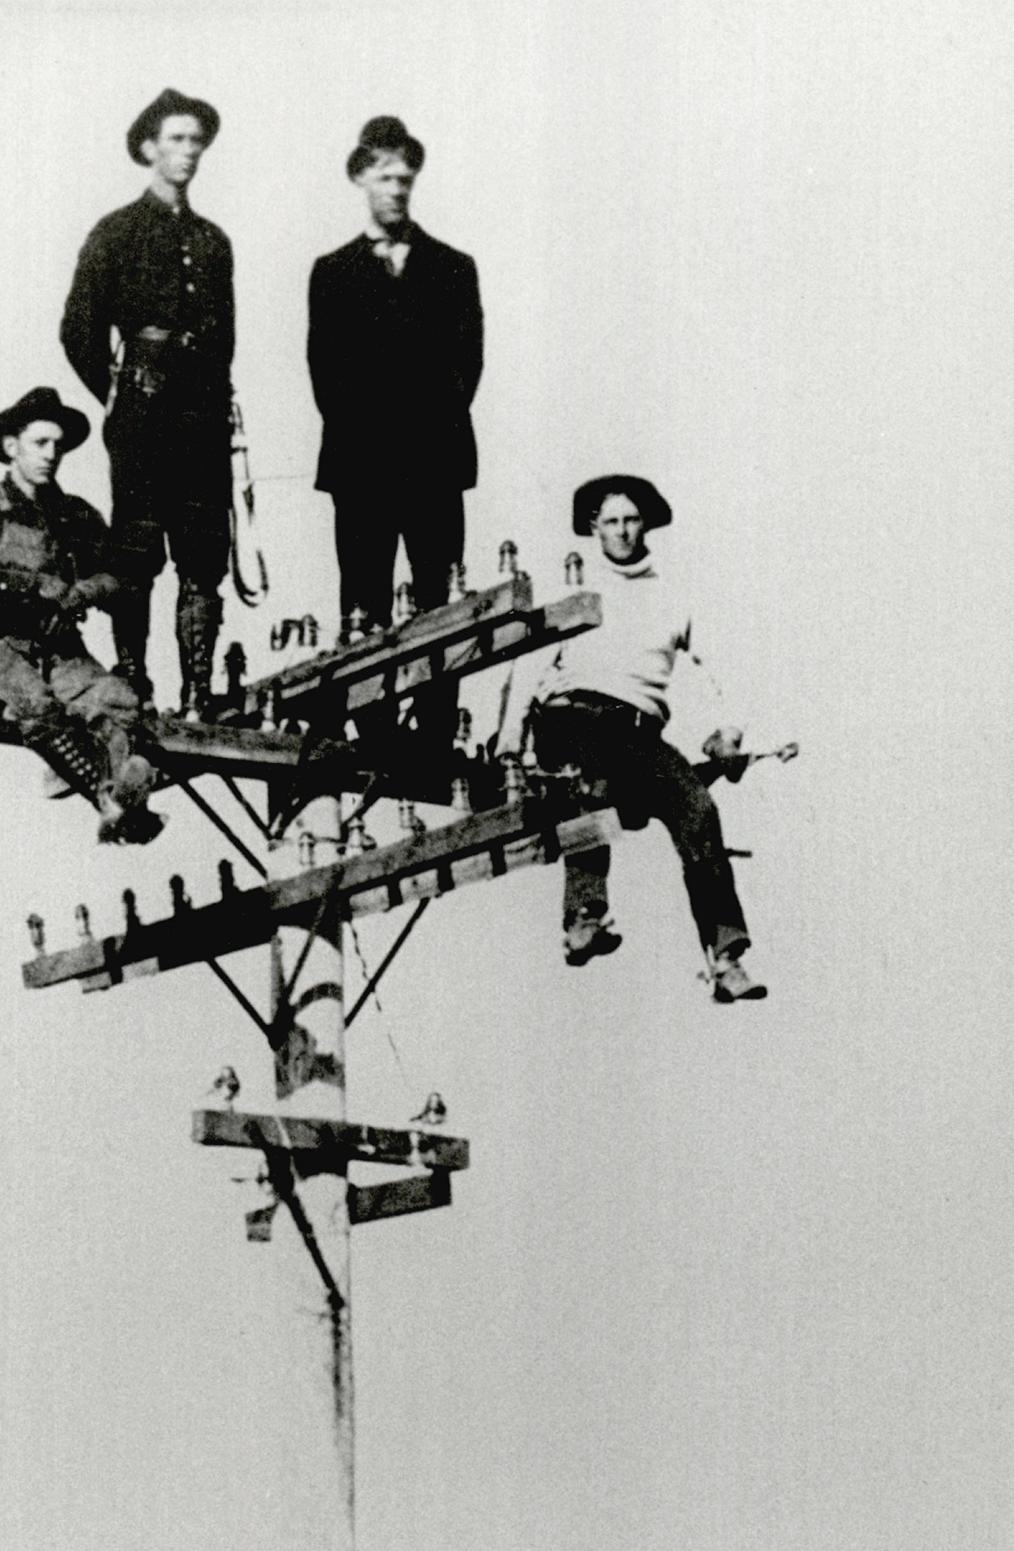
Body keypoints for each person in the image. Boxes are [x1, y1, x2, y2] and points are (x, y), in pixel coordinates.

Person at [506, 473, 766, 1000]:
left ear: (645, 524)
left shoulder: (673, 593)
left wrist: (729, 731)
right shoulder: (573, 585)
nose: (622, 532)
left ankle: (726, 955)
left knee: (698, 810)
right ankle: (584, 916)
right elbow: (526, 665)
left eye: (631, 520)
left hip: (640, 733)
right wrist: (509, 737)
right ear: (593, 528)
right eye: (611, 522)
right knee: (592, 787)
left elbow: (718, 668)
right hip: (570, 717)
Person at [61, 88, 234, 719]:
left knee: (203, 554)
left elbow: (227, 340)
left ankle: (197, 690)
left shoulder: (214, 241)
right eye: (177, 140)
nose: (189, 152)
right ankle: (133, 681)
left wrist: (220, 401)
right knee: (136, 552)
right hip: (142, 414)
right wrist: (116, 392)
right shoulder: (116, 232)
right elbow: (79, 328)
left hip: (204, 415)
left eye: (197, 141)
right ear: (148, 148)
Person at [0, 385, 163, 844]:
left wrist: (86, 591)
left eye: (58, 445)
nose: (51, 454)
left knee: (119, 701)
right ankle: (108, 800)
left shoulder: (75, 514)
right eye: (40, 443)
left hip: (64, 650)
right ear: (11, 447)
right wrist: (28, 583)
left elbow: (125, 578)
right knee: (36, 708)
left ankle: (124, 799)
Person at [307, 115, 482, 651]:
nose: (396, 190)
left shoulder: (453, 267)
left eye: (405, 179)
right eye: (385, 178)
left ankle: (433, 734)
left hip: (435, 462)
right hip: (361, 467)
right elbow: (325, 375)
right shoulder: (332, 271)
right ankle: (374, 736)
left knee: (442, 609)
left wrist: (427, 428)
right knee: (363, 610)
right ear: (360, 180)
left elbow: (467, 365)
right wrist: (370, 437)